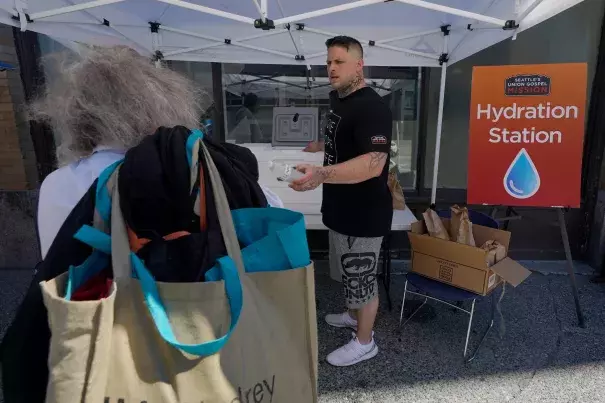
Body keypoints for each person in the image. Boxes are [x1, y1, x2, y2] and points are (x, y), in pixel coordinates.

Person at [33, 45, 280, 259]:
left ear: (77, 117)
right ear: (164, 103)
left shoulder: (59, 184)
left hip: (99, 310)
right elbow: (273, 215)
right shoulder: (200, 170)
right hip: (203, 306)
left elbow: (55, 270)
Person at [291, 36, 393, 367]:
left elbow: (373, 163)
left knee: (362, 278)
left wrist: (321, 173)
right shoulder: (339, 98)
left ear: (359, 65)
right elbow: (348, 137)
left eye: (339, 62)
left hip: (364, 214)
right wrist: (321, 145)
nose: (331, 68)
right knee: (347, 274)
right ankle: (352, 315)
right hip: (339, 208)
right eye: (329, 62)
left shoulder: (373, 108)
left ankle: (365, 342)